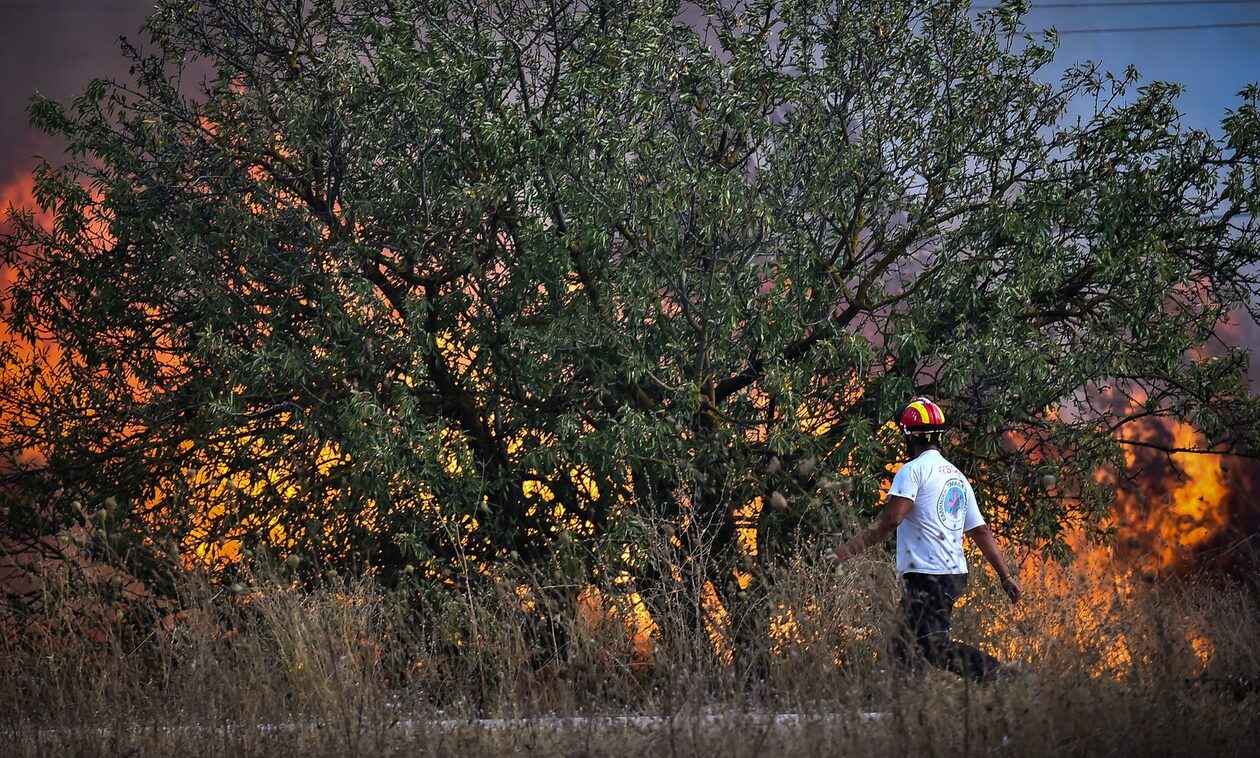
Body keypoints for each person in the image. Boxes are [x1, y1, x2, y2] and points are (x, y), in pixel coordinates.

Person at [830, 396, 1021, 683]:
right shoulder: (957, 476)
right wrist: (1005, 576)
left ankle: (1003, 678)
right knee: (905, 647)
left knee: (933, 647)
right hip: (952, 573)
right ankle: (913, 711)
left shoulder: (913, 471)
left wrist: (848, 549)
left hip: (928, 576)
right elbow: (980, 531)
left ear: (908, 436)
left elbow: (892, 519)